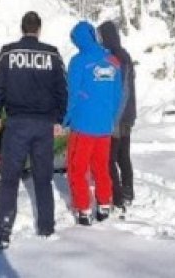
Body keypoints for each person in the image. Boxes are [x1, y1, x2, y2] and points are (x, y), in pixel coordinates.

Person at [0, 11, 67, 253]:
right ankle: (46, 227)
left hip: (16, 124)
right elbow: (62, 90)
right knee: (43, 178)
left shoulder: (8, 52)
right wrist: (60, 119)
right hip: (43, 125)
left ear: (22, 28)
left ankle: (3, 231)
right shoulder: (52, 54)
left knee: (10, 178)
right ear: (39, 29)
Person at [63, 20, 122, 225]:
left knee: (77, 168)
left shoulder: (78, 61)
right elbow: (117, 96)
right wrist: (110, 118)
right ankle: (104, 204)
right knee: (101, 166)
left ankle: (83, 209)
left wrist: (66, 118)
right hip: (104, 126)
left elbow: (71, 94)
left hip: (82, 126)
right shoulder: (113, 61)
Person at [98, 20, 136, 215]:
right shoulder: (125, 55)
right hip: (128, 115)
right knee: (123, 156)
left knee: (109, 158)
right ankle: (128, 190)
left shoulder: (114, 58)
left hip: (117, 117)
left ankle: (118, 195)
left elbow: (121, 92)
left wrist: (114, 118)